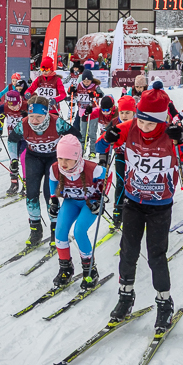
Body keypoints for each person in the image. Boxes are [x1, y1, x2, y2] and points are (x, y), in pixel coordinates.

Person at [101, 88, 183, 332]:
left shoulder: (171, 134)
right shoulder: (130, 127)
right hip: (133, 201)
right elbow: (101, 146)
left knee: (156, 255)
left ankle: (164, 303)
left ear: (162, 119)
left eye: (150, 123)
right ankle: (126, 297)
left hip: (160, 205)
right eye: (141, 120)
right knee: (128, 251)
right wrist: (107, 137)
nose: (144, 127)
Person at [10, 95, 81, 247]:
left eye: (39, 117)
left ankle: (56, 231)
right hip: (33, 158)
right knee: (31, 194)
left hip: (53, 159)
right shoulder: (23, 124)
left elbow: (77, 137)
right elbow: (12, 139)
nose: (34, 120)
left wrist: (73, 158)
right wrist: (13, 160)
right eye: (31, 116)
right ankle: (35, 230)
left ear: (46, 114)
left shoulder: (57, 123)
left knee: (51, 195)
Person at [48, 134, 106, 289]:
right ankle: (65, 269)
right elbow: (52, 181)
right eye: (60, 158)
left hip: (89, 203)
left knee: (79, 231)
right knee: (60, 232)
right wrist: (53, 199)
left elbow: (107, 175)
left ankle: (90, 271)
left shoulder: (92, 169)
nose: (63, 163)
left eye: (68, 159)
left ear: (77, 157)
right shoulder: (55, 168)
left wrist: (101, 198)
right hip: (71, 202)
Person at [93, 95, 134, 229]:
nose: (124, 116)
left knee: (136, 184)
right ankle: (117, 213)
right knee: (121, 182)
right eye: (122, 112)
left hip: (138, 157)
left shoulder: (140, 122)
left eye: (128, 113)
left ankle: (139, 212)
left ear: (134, 112)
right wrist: (107, 138)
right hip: (121, 154)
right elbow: (99, 145)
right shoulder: (115, 122)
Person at [0, 89, 28, 194]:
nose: (13, 108)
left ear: (20, 101)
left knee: (24, 160)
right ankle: (14, 184)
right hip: (13, 138)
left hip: (26, 138)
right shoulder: (6, 106)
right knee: (13, 161)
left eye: (15, 106)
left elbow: (41, 115)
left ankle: (27, 184)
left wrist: (29, 116)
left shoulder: (27, 105)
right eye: (11, 106)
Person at [70, 70, 103, 155]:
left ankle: (92, 151)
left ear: (91, 80)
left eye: (88, 81)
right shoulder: (79, 85)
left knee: (92, 133)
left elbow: (101, 94)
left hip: (93, 112)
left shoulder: (95, 86)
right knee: (82, 133)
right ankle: (82, 150)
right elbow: (71, 93)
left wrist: (95, 94)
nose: (86, 83)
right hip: (82, 112)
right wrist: (71, 90)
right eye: (84, 81)